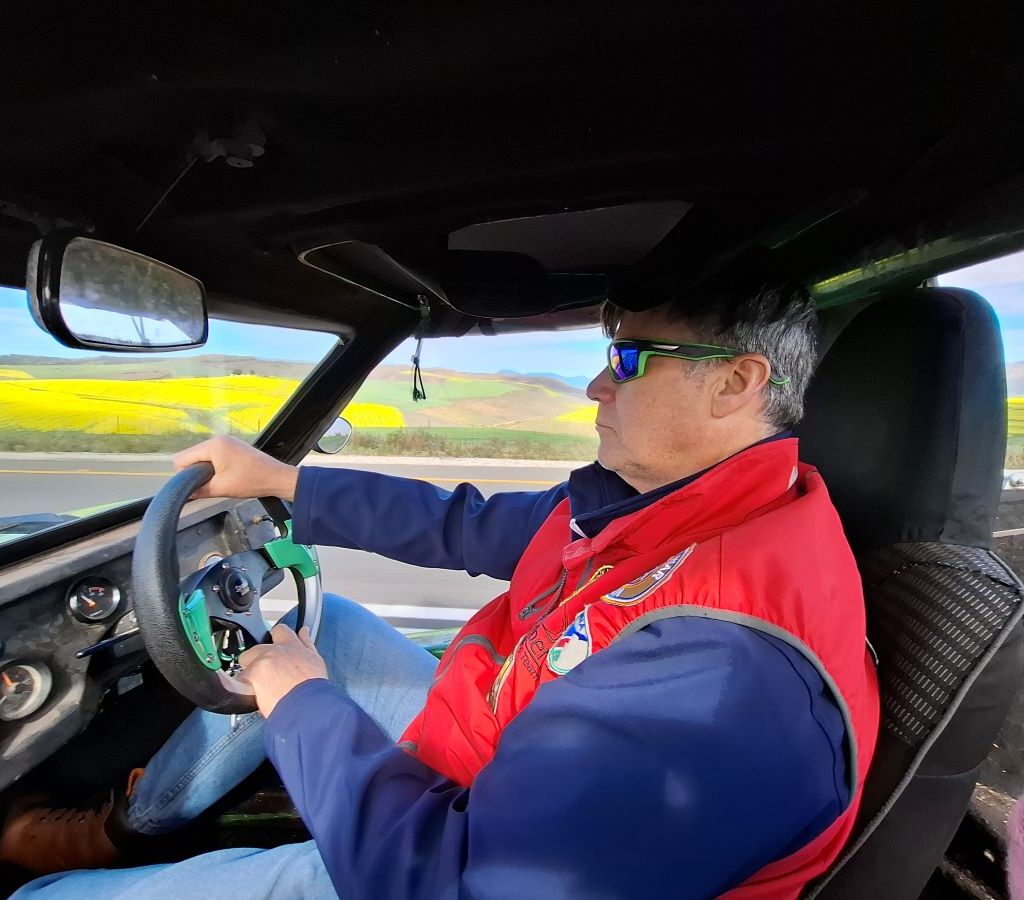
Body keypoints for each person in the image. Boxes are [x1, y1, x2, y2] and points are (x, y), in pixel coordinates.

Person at [2, 279, 880, 899]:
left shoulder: (726, 667)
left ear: (736, 382)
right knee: (332, 625)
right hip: (497, 755)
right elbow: (467, 523)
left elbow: (453, 884)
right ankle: (121, 831)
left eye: (628, 357)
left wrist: (302, 706)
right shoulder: (682, 509)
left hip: (449, 853)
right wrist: (282, 481)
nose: (595, 384)